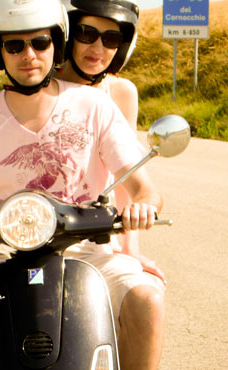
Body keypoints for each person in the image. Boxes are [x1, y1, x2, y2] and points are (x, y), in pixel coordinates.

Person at [0, 0, 165, 369]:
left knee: (147, 301)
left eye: (40, 43)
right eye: (14, 45)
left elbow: (145, 189)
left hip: (85, 250)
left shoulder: (94, 105)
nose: (29, 55)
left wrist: (143, 206)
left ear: (57, 43)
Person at [54, 0, 166, 282]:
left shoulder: (120, 92)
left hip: (95, 230)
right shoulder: (41, 86)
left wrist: (129, 248)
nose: (98, 48)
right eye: (87, 34)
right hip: (38, 226)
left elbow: (126, 172)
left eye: (111, 39)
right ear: (68, 36)